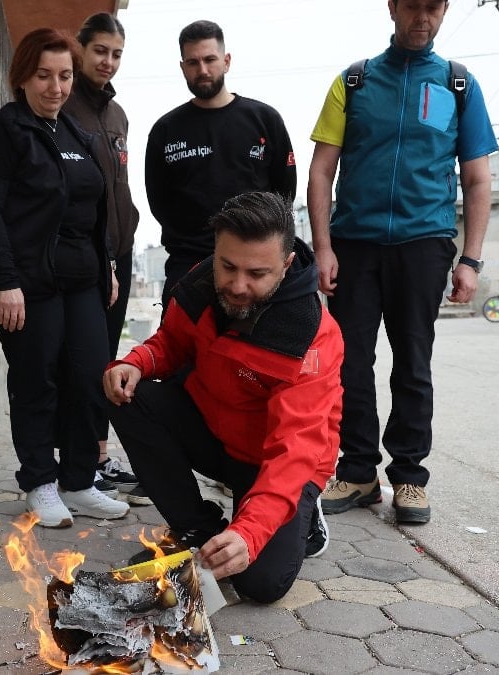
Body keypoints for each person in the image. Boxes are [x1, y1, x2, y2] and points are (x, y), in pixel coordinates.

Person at [307, 0, 498, 523]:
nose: (422, 18)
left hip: (423, 243)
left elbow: (478, 180)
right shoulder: (354, 82)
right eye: (412, 6)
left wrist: (471, 260)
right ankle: (359, 470)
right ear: (392, 7)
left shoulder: (459, 85)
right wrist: (323, 248)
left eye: (432, 8)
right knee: (351, 362)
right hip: (356, 244)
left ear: (444, 10)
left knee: (413, 362)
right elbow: (322, 171)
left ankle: (410, 478)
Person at [104, 192, 343, 604]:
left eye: (256, 274)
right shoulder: (199, 286)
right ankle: (199, 529)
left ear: (286, 266)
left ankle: (304, 513)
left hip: (280, 462)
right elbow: (172, 343)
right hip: (217, 436)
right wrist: (138, 361)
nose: (237, 285)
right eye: (227, 266)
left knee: (259, 585)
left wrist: (247, 534)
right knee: (125, 390)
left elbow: (295, 450)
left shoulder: (311, 337)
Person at [0, 28, 129, 528]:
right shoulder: (3, 130)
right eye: (44, 76)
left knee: (89, 376)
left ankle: (79, 481)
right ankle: (41, 482)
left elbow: (93, 208)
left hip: (82, 279)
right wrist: (4, 279)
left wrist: (106, 263)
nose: (56, 88)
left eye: (64, 76)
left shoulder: (75, 134)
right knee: (36, 380)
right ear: (23, 76)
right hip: (26, 283)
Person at [144, 19, 297, 313]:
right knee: (184, 356)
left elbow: (284, 194)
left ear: (226, 61)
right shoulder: (166, 130)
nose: (202, 70)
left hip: (255, 267)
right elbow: (159, 203)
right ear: (183, 67)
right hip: (189, 266)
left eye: (210, 59)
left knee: (256, 357)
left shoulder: (265, 120)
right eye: (193, 62)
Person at [62, 12, 151, 506]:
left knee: (103, 359)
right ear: (81, 49)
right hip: (84, 256)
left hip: (119, 249)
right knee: (83, 361)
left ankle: (97, 456)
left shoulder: (116, 115)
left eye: (117, 54)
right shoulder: (64, 106)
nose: (108, 62)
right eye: (100, 51)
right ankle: (77, 464)